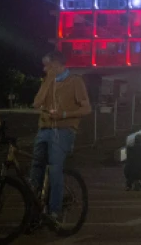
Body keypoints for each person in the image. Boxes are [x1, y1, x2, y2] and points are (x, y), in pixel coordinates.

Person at [30, 51, 92, 225]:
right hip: (44, 129)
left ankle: (54, 211)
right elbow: (36, 103)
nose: (44, 69)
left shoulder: (75, 81)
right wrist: (48, 81)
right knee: (36, 169)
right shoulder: (47, 82)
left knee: (55, 169)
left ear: (57, 65)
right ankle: (35, 209)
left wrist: (64, 114)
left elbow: (86, 108)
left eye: (47, 65)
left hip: (63, 130)